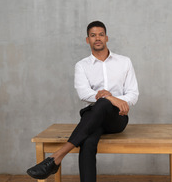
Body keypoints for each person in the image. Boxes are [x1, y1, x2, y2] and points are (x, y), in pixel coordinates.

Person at [27, 21, 139, 182]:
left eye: (100, 34)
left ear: (106, 38)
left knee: (103, 103)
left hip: (117, 118)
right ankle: (56, 160)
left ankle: (57, 157)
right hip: (92, 118)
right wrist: (110, 97)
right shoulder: (81, 66)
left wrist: (111, 100)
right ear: (88, 40)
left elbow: (133, 94)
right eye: (93, 35)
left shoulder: (124, 62)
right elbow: (83, 93)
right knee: (88, 141)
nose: (97, 38)